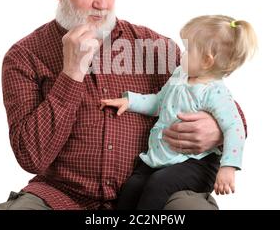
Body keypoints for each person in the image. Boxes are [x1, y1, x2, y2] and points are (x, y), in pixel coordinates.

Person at [0, 0, 247, 210]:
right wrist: (71, 73)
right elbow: (31, 157)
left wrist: (215, 129)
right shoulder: (24, 56)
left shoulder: (155, 48)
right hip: (61, 198)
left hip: (152, 191)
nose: (101, 3)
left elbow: (220, 100)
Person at [101, 15, 257, 209]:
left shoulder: (214, 92)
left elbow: (235, 128)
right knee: (133, 186)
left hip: (196, 164)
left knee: (158, 185)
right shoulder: (179, 76)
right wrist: (130, 101)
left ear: (207, 61)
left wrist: (228, 167)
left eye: (189, 50)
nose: (182, 54)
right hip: (162, 157)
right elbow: (159, 102)